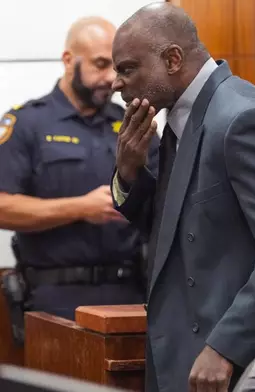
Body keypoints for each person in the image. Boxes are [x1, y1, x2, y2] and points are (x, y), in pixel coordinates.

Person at [110, 3, 255, 392]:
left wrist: (226, 346)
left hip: (252, 360)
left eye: (127, 68)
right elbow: (176, 232)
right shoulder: (183, 117)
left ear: (172, 59)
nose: (116, 83)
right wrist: (130, 174)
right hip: (193, 348)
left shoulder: (241, 118)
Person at [0, 17, 159, 322]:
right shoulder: (27, 124)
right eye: (100, 64)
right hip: (55, 300)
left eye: (117, 67)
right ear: (68, 60)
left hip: (132, 295)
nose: (111, 78)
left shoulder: (132, 124)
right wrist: (80, 208)